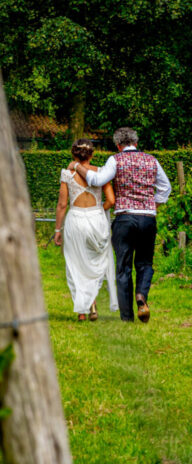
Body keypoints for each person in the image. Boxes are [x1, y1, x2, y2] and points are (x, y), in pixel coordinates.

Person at [71, 127, 171, 322]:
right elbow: (165, 188)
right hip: (148, 218)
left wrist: (77, 166)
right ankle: (141, 296)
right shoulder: (152, 160)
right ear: (137, 142)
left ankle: (127, 317)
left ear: (118, 145)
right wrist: (152, 204)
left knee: (123, 267)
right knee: (145, 263)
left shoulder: (115, 160)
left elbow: (97, 179)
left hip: (125, 218)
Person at [55, 139, 118, 321]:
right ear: (92, 154)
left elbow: (62, 204)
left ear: (73, 155)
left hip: (75, 220)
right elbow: (111, 201)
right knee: (94, 263)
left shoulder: (67, 174)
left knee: (75, 264)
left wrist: (57, 230)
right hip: (96, 220)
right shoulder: (101, 173)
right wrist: (99, 209)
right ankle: (90, 303)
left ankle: (83, 310)